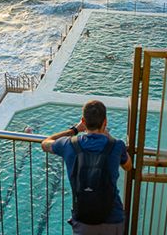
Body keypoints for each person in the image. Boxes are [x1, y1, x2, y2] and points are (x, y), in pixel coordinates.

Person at [41, 100, 132, 235]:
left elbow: (45, 143)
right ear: (105, 122)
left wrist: (75, 130)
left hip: (83, 220)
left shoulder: (69, 145)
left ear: (84, 121)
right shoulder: (117, 145)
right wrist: (109, 136)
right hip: (113, 219)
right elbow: (128, 166)